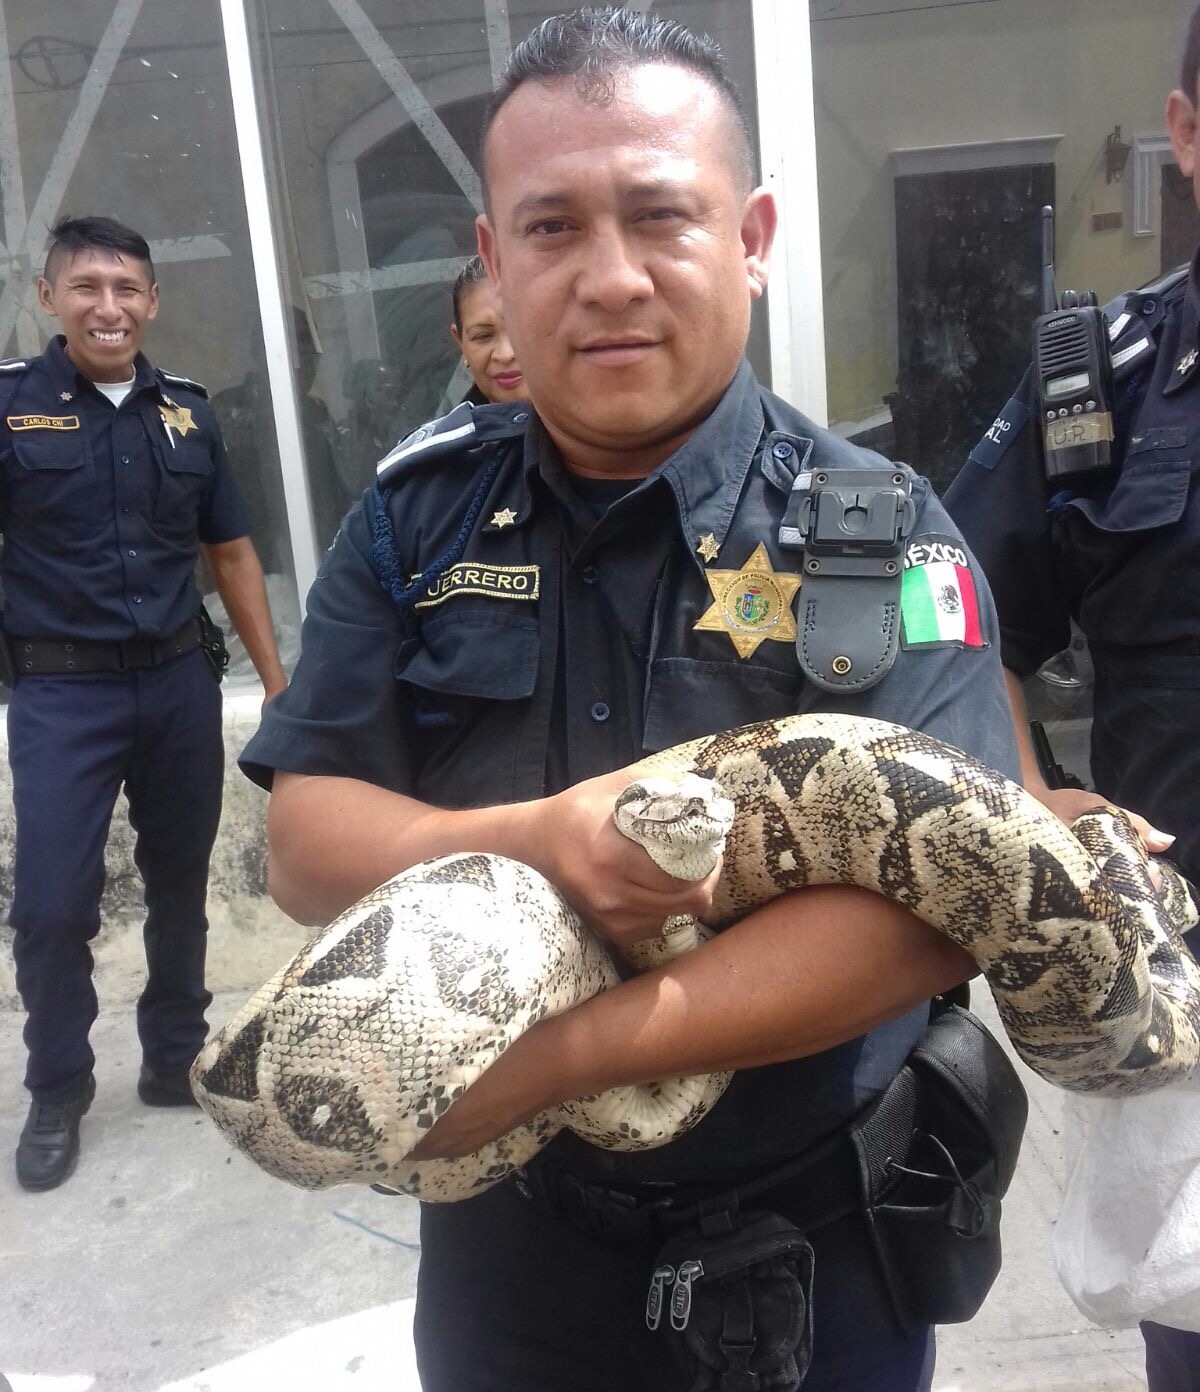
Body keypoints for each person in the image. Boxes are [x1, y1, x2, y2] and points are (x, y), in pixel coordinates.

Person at [240, 11, 1021, 1390]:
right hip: (507, 1264)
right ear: (491, 257)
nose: (610, 280)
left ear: (754, 236)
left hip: (816, 1257)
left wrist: (557, 1062)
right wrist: (547, 838)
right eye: (550, 229)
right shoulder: (414, 523)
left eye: (661, 216)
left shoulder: (878, 532)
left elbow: (927, 917)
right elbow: (306, 840)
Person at [944, 11, 1200, 1385]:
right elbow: (957, 601)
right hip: (1183, 970)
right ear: (1187, 135)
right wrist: (1031, 791)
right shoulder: (1103, 380)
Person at [0, 215, 288, 1192]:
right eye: (86, 286)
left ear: (153, 302)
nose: (108, 306)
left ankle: (174, 1057)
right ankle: (59, 1087)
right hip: (59, 694)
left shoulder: (191, 416)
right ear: (49, 297)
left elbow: (234, 553)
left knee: (178, 884)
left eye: (127, 288)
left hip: (175, 683)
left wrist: (279, 689)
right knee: (48, 906)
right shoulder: (10, 412)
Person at [448, 253, 527, 404]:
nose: (505, 354)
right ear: (460, 342)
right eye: (483, 336)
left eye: (522, 330)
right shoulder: (450, 428)